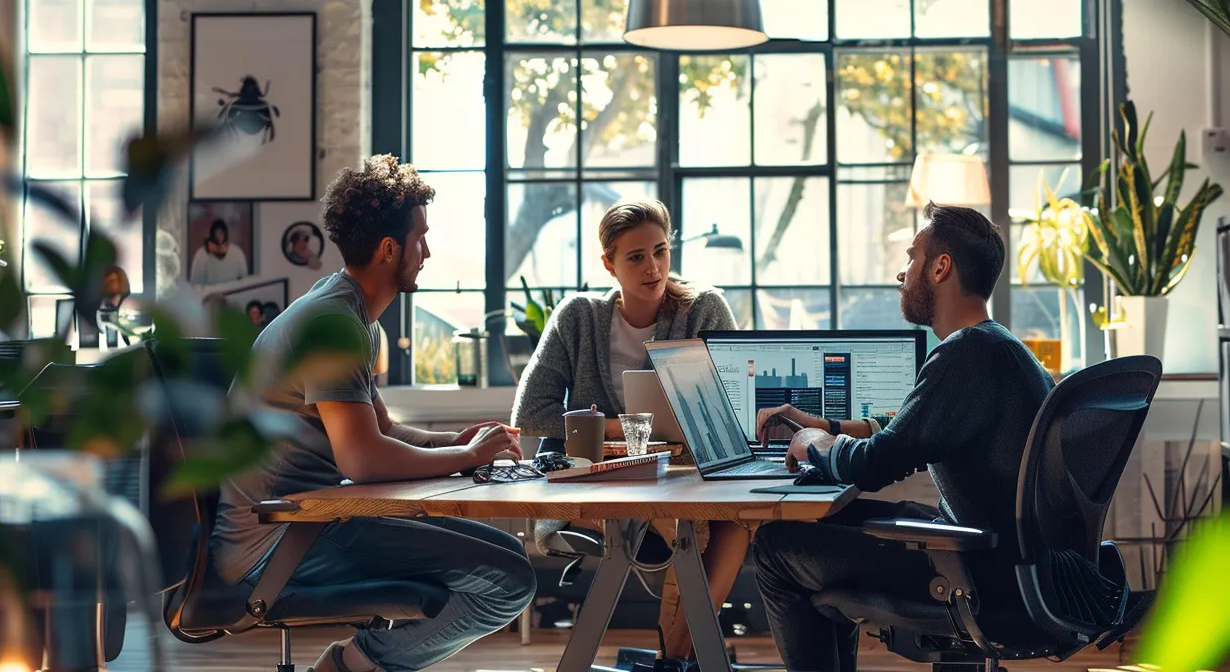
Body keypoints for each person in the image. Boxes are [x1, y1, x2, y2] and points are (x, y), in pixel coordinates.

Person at [212, 155, 535, 672]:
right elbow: (361, 459)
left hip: (311, 521)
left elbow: (380, 428)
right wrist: (463, 456)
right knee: (508, 582)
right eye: (421, 239)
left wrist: (457, 441)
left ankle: (359, 663)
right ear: (389, 249)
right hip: (276, 542)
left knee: (510, 560)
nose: (426, 252)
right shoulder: (330, 323)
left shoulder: (348, 314)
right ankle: (350, 666)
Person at [749, 203, 1055, 672]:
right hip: (1001, 557)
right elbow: (904, 430)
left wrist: (813, 444)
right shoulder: (999, 347)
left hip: (978, 573)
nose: (902, 272)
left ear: (940, 266)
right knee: (830, 519)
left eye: (912, 257)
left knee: (774, 548)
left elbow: (876, 464)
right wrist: (824, 426)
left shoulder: (967, 353)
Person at [510, 200, 747, 664]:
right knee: (694, 530)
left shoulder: (704, 309)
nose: (653, 267)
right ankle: (680, 660)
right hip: (597, 477)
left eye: (660, 251)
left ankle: (674, 659)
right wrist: (624, 428)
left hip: (683, 477)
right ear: (609, 263)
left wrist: (609, 426)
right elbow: (531, 414)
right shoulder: (578, 317)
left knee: (726, 523)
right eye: (635, 257)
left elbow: (733, 409)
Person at [190, 218, 250, 285]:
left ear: (225, 234)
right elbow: (196, 283)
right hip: (210, 294)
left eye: (221, 233)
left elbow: (243, 279)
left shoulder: (236, 252)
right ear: (212, 233)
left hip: (231, 294)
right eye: (216, 233)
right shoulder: (202, 255)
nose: (219, 237)